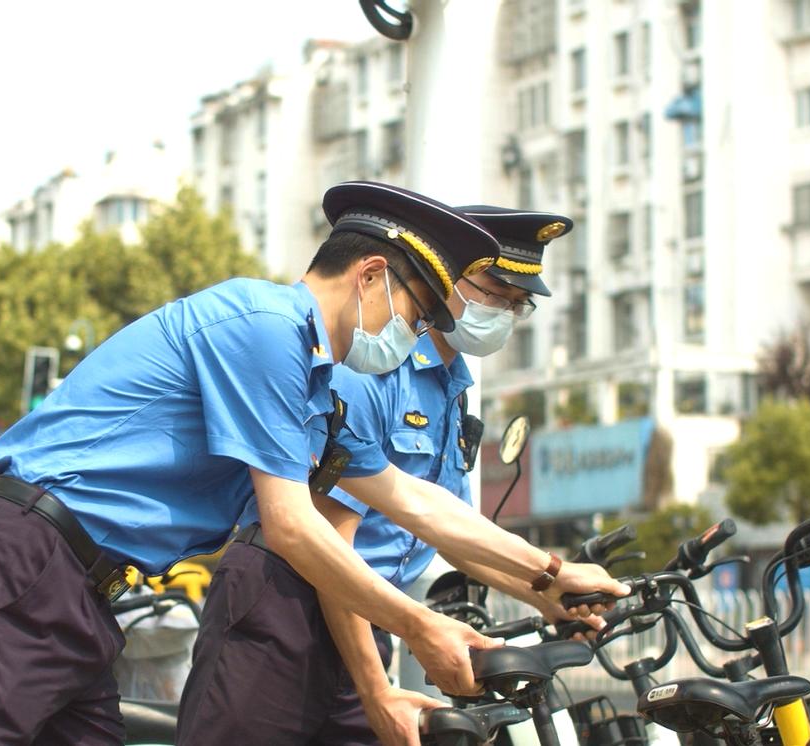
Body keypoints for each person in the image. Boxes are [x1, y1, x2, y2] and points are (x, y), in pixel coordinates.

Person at [0, 181, 626, 745]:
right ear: (371, 276)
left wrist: (550, 580)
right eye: (421, 312)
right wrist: (421, 628)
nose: (421, 333)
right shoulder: (265, 327)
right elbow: (290, 526)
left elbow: (412, 500)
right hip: (24, 561)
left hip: (84, 589)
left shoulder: (313, 377)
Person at [176, 206, 582, 746]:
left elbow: (443, 528)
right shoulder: (367, 366)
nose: (504, 313)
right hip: (288, 603)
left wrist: (547, 588)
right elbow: (328, 539)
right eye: (494, 293)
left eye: (517, 305)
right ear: (449, 277)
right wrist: (375, 687)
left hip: (366, 612)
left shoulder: (452, 388)